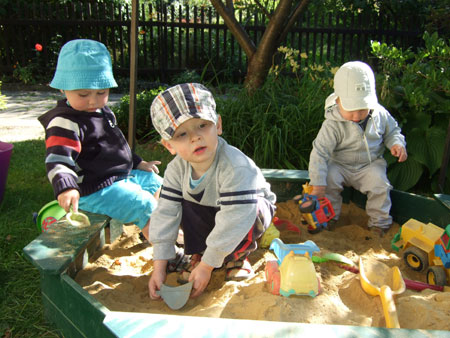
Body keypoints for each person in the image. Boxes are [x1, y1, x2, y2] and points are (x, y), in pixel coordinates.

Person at [148, 83, 276, 299]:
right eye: (181, 134)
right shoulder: (176, 169)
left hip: (248, 212)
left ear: (217, 125)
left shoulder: (234, 165)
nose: (195, 137)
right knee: (178, 202)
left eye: (202, 125)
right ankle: (199, 253)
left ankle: (237, 257)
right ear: (169, 146)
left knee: (248, 210)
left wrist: (208, 266)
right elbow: (166, 213)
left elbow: (236, 217)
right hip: (211, 209)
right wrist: (159, 265)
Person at [38, 39, 162, 239]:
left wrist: (138, 162)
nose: (93, 100)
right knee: (144, 203)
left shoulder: (102, 112)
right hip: (93, 189)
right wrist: (66, 186)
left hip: (116, 179)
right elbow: (58, 160)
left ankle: (148, 229)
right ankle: (166, 252)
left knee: (158, 184)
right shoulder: (64, 122)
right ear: (63, 89)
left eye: (101, 92)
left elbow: (115, 146)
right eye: (83, 94)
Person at [307, 61, 407, 237]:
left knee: (380, 185)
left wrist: (397, 144)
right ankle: (330, 218)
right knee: (328, 179)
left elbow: (392, 131)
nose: (356, 115)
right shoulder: (332, 124)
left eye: (362, 109)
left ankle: (379, 223)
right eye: (351, 110)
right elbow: (320, 152)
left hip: (369, 164)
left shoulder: (380, 115)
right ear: (337, 101)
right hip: (340, 164)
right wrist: (317, 183)